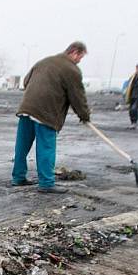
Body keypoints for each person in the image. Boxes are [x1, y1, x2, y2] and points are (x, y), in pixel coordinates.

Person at [11, 41, 91, 194]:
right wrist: (84, 115)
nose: (79, 61)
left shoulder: (43, 62)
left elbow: (26, 81)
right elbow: (77, 96)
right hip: (46, 112)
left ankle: (18, 178)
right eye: (80, 57)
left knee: (22, 146)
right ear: (74, 52)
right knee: (46, 147)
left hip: (26, 108)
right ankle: (46, 183)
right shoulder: (71, 70)